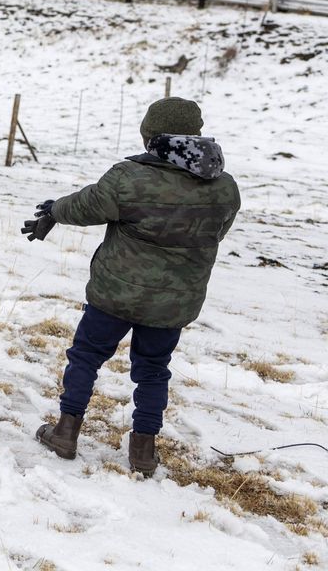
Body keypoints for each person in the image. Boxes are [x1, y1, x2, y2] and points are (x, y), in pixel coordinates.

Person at [25, 97, 240, 475]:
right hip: (173, 303)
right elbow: (216, 233)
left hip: (115, 294)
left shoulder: (129, 178)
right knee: (154, 369)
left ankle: (65, 432)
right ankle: (143, 452)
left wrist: (54, 211)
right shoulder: (224, 188)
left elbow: (87, 205)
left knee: (86, 356)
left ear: (151, 136)